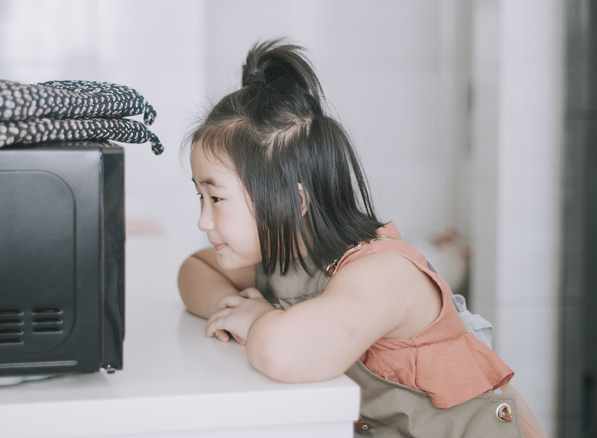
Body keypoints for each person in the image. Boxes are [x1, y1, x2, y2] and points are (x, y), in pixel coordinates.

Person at [177, 39, 545, 437]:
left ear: (291, 200)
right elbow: (193, 270)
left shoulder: (382, 274)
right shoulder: (285, 258)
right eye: (201, 196)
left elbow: (282, 354)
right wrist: (228, 309)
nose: (203, 220)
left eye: (216, 198)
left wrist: (258, 319)